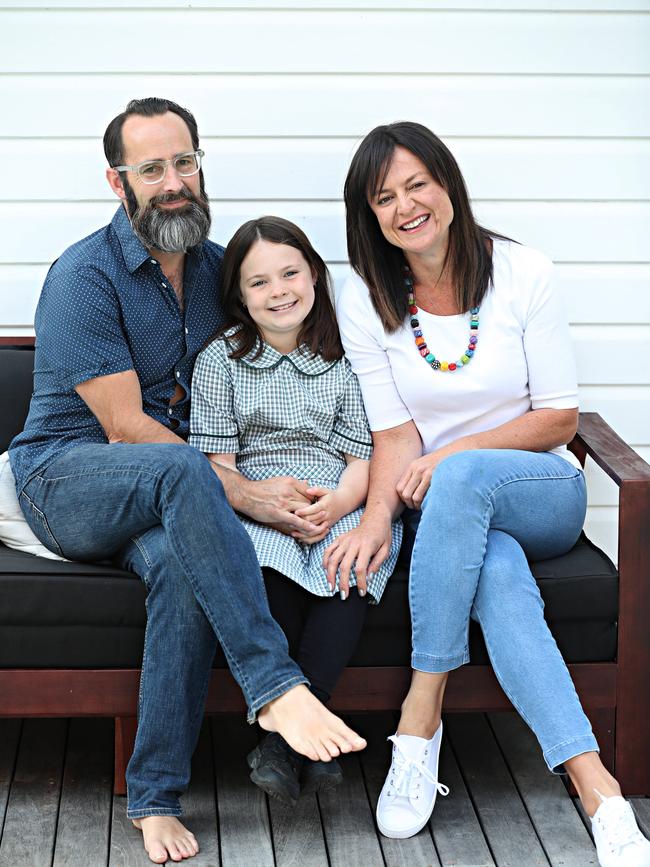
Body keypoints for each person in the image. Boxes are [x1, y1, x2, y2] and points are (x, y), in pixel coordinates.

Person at [7, 98, 366, 865]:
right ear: (118, 182)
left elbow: (284, 329)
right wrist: (245, 492)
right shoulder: (84, 275)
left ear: (200, 165)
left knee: (178, 566)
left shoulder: (216, 269)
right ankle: (276, 687)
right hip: (68, 476)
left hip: (171, 485)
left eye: (185, 162)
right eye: (152, 169)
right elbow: (128, 428)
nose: (173, 182)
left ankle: (154, 794)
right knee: (176, 465)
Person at [324, 121, 650, 866]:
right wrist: (377, 518)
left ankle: (419, 717)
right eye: (385, 197)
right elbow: (394, 437)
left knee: (464, 476)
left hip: (542, 491)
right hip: (448, 510)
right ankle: (599, 789)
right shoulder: (365, 297)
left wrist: (457, 454)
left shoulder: (523, 271)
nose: (406, 205)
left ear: (447, 184)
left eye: (417, 184)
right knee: (496, 572)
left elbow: (559, 417)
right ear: (369, 216)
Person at [188, 216, 402, 805]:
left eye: (289, 273)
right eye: (259, 282)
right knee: (268, 575)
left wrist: (338, 505)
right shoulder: (221, 361)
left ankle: (282, 744)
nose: (278, 291)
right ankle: (303, 732)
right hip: (260, 502)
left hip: (342, 497)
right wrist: (263, 505)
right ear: (238, 295)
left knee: (348, 570)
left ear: (313, 275)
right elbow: (216, 462)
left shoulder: (346, 359)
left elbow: (365, 455)